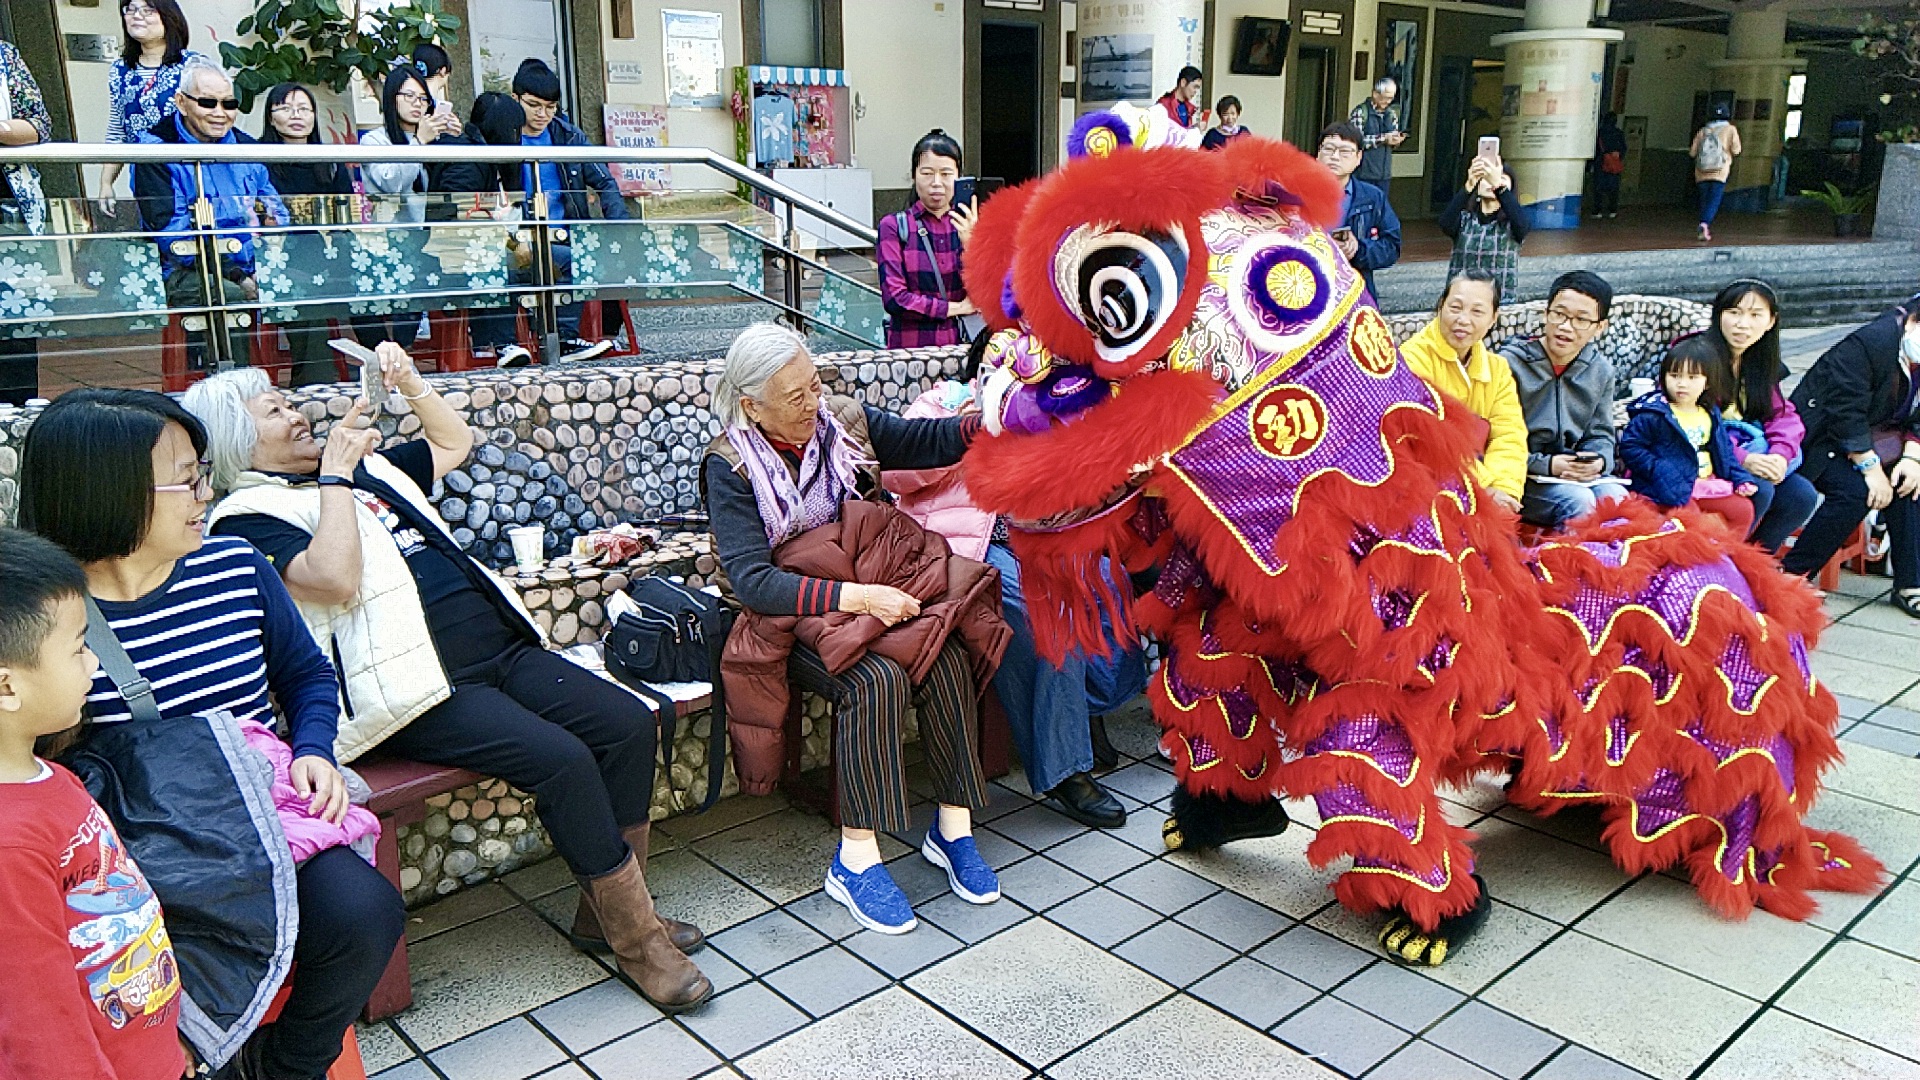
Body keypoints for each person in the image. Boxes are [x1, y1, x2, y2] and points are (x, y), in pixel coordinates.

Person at [183, 351, 712, 1012]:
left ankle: (600, 916)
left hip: (500, 651)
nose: (296, 413)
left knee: (628, 723)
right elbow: (332, 578)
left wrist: (410, 384)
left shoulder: (365, 472)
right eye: (276, 410)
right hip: (418, 691)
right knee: (564, 761)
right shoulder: (248, 515)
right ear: (238, 439)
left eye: (289, 403)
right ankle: (639, 942)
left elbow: (453, 443)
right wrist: (338, 478)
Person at [17, 388, 404, 1080]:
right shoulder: (48, 622)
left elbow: (307, 676)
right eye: (188, 476)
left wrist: (313, 751)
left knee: (362, 913)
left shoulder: (237, 567)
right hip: (136, 852)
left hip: (257, 821)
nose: (207, 490)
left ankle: (286, 1065)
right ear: (109, 490)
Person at [704, 322, 1005, 935]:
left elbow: (922, 441)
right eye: (794, 397)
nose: (813, 403)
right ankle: (856, 858)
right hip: (794, 617)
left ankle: (953, 828)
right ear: (751, 406)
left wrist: (991, 422)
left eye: (814, 385)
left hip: (867, 593)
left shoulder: (841, 420)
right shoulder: (730, 466)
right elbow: (755, 583)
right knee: (876, 680)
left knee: (942, 653)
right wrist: (857, 595)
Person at [883, 335, 1138, 827]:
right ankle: (1067, 771)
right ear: (978, 366)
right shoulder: (939, 405)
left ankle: (1088, 710)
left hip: (1033, 541)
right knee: (1049, 621)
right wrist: (969, 430)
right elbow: (897, 475)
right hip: (967, 552)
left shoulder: (1035, 413)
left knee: (1111, 581)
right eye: (995, 364)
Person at [0, 529, 187, 1080]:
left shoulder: (49, 777)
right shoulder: (11, 843)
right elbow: (38, 1024)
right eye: (80, 648)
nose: (94, 666)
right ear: (6, 687)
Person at [134, 59, 287, 369]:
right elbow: (172, 236)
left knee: (306, 283)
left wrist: (268, 260)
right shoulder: (156, 151)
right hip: (184, 269)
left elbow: (275, 211)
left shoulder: (247, 148)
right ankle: (238, 395)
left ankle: (313, 392)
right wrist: (238, 274)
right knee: (228, 296)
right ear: (181, 102)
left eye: (229, 103)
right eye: (208, 102)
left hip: (250, 263)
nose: (221, 112)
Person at [468, 58, 623, 364]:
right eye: (534, 105)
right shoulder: (500, 134)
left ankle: (563, 340)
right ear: (516, 98)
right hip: (513, 238)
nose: (543, 115)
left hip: (562, 234)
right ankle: (510, 344)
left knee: (579, 258)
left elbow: (604, 180)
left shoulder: (567, 136)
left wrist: (621, 226)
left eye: (551, 107)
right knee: (508, 264)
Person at [1781, 296, 1920, 615]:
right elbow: (1845, 412)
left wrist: (1913, 457)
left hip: (1882, 437)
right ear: (1913, 322)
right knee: (1856, 492)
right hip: (1823, 437)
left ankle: (1909, 583)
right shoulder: (1870, 342)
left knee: (1909, 482)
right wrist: (1871, 470)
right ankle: (1793, 575)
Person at [1501, 270, 1630, 528]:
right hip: (1522, 476)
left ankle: (1611, 566)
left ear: (1600, 327)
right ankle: (1569, 565)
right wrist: (1547, 465)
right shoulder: (1509, 365)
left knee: (1617, 499)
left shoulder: (1600, 370)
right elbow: (1493, 442)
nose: (1566, 327)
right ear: (1545, 313)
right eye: (1559, 314)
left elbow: (1601, 434)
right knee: (1579, 502)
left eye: (1581, 319)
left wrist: (1598, 461)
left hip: (1572, 472)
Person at [1702, 279, 1818, 550]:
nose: (1743, 324)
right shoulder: (1696, 357)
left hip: (1746, 454)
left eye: (1755, 315)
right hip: (1704, 457)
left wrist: (1779, 454)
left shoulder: (1759, 362)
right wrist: (1744, 459)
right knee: (1759, 488)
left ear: (1770, 322)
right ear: (1718, 314)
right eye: (1734, 313)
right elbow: (1692, 422)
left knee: (1801, 496)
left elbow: (1783, 416)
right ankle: (1724, 564)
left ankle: (1755, 567)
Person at [1399, 270, 1528, 514]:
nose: (1463, 320)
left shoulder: (1497, 369)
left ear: (1494, 319)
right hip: (1427, 490)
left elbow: (1509, 435)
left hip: (1488, 492)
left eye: (1477, 311)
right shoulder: (1412, 361)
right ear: (1440, 306)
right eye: (1455, 307)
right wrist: (1486, 489)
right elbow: (1433, 443)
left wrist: (1505, 489)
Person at [353, 65, 457, 351]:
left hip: (429, 241)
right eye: (408, 96)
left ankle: (405, 350)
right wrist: (418, 142)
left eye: (422, 98)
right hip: (383, 242)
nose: (416, 104)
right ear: (391, 99)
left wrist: (459, 138)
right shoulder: (374, 140)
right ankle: (385, 352)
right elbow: (392, 184)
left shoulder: (434, 138)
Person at [260, 82, 355, 386]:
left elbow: (346, 218)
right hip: (278, 258)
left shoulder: (328, 160)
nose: (296, 115)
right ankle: (315, 384)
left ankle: (389, 366)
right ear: (270, 116)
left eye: (304, 109)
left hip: (327, 256)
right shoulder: (255, 156)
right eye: (285, 108)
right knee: (305, 290)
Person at [1619, 335, 1760, 535]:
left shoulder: (1709, 413)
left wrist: (1740, 478)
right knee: (1690, 520)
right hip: (1666, 486)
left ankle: (1727, 556)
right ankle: (1692, 563)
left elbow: (1724, 452)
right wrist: (1659, 469)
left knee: (1742, 510)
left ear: (1708, 382)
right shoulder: (1654, 414)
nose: (1682, 384)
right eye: (1675, 375)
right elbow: (1630, 447)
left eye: (1692, 378)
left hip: (1706, 482)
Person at [96, 0, 206, 212]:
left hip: (194, 173)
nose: (138, 15)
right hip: (146, 178)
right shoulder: (120, 70)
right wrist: (106, 183)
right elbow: (118, 132)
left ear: (169, 17)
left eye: (148, 10)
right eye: (131, 9)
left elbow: (212, 121)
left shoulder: (193, 65)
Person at [878, 130, 977, 349]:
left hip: (963, 349)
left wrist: (972, 246)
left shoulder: (973, 225)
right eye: (927, 173)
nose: (936, 183)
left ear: (958, 177)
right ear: (914, 175)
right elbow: (895, 299)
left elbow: (994, 293)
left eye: (946, 173)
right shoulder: (894, 227)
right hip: (911, 353)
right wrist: (955, 308)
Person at [0, 37, 52, 406]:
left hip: (10, 207)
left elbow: (40, 125)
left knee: (15, 319)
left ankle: (15, 421)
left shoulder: (4, 54)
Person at [1315, 122, 1401, 304]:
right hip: (1307, 287)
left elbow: (1392, 246)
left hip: (1354, 294)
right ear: (1318, 153)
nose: (1335, 157)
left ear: (1358, 157)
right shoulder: (1297, 194)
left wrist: (1359, 249)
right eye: (1329, 149)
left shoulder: (1372, 197)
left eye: (1345, 152)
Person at [1441, 158, 1527, 299]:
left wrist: (1499, 188)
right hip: (1463, 298)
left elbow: (1523, 225)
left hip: (1499, 300)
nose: (1491, 182)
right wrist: (1469, 185)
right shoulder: (1465, 219)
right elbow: (1445, 223)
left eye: (1501, 179)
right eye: (1486, 178)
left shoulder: (1512, 221)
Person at [1691, 103, 1741, 242]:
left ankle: (1703, 224)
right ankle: (1704, 224)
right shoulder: (1730, 129)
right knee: (1714, 200)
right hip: (1719, 171)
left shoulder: (1703, 131)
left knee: (1705, 200)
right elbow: (1737, 150)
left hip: (1701, 171)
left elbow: (1693, 152)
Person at [1348, 77, 1406, 197]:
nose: (1388, 101)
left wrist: (1396, 140)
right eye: (1386, 97)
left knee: (1380, 210)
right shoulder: (1360, 113)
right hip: (1363, 174)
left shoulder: (1392, 114)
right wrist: (1384, 139)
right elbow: (1356, 141)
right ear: (1375, 94)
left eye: (1391, 98)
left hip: (1384, 175)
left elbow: (1392, 140)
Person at [1593, 111, 1627, 219]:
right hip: (1614, 164)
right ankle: (1612, 210)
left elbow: (1596, 149)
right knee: (1613, 188)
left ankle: (1597, 210)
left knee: (1599, 188)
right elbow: (1624, 148)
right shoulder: (1619, 133)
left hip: (1601, 162)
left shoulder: (1600, 133)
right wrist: (1617, 155)